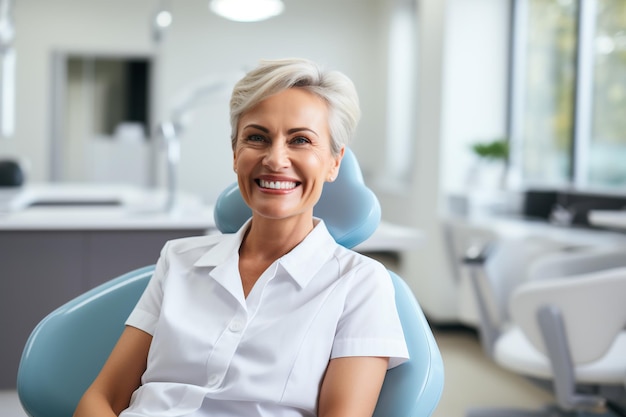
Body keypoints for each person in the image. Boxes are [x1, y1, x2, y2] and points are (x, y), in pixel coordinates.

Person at [74, 58, 409, 417]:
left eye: (300, 140)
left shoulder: (360, 284)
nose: (275, 159)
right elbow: (103, 399)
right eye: (257, 138)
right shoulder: (179, 260)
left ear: (333, 162)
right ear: (235, 154)